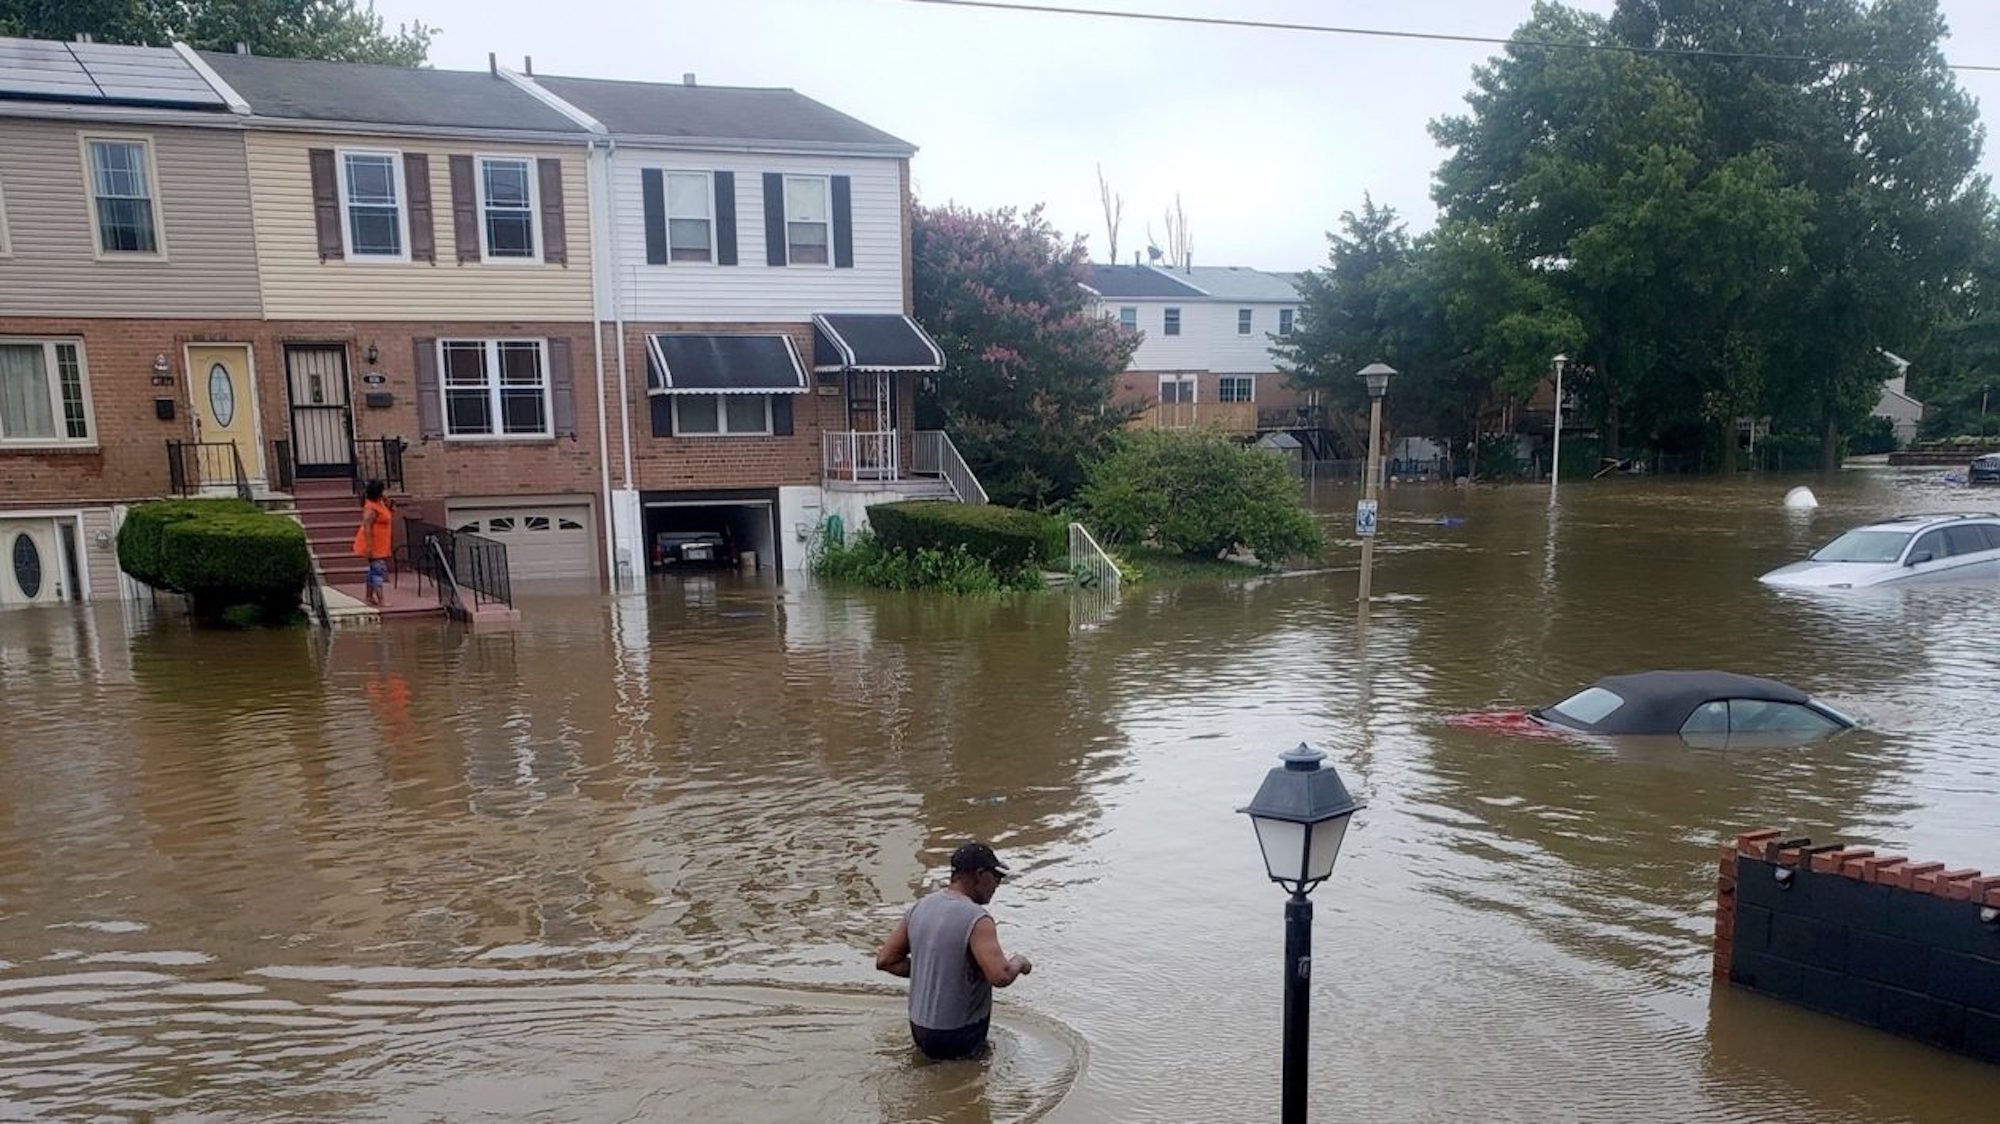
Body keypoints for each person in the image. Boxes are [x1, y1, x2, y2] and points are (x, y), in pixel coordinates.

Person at [875, 842, 1032, 1061]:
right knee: (972, 1085)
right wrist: (1019, 962)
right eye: (996, 877)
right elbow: (1001, 975)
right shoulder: (978, 918)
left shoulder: (920, 907)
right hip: (960, 1032)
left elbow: (885, 960)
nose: (997, 884)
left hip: (920, 1028)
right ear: (979, 875)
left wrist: (931, 969)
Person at [352, 480, 394, 607]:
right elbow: (367, 528)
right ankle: (381, 600)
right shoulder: (371, 508)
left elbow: (391, 510)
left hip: (382, 542)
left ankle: (369, 597)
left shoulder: (380, 503)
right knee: (378, 570)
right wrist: (370, 547)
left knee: (373, 571)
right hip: (374, 544)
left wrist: (387, 501)